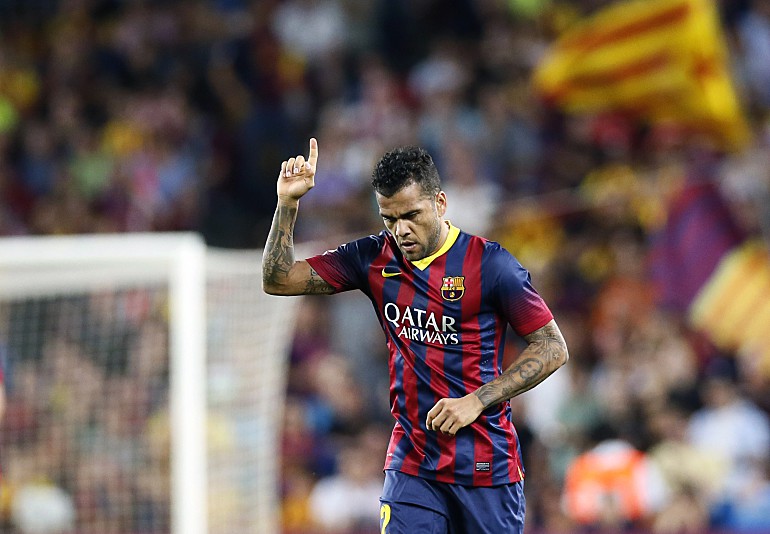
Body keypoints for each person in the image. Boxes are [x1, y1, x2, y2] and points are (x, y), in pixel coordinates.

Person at [263, 138, 569, 533]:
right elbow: (279, 280)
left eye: (411, 215)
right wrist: (287, 204)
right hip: (413, 463)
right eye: (389, 219)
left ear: (440, 203)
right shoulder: (374, 257)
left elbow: (552, 347)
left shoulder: (491, 264)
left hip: (485, 465)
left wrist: (477, 400)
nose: (401, 230)